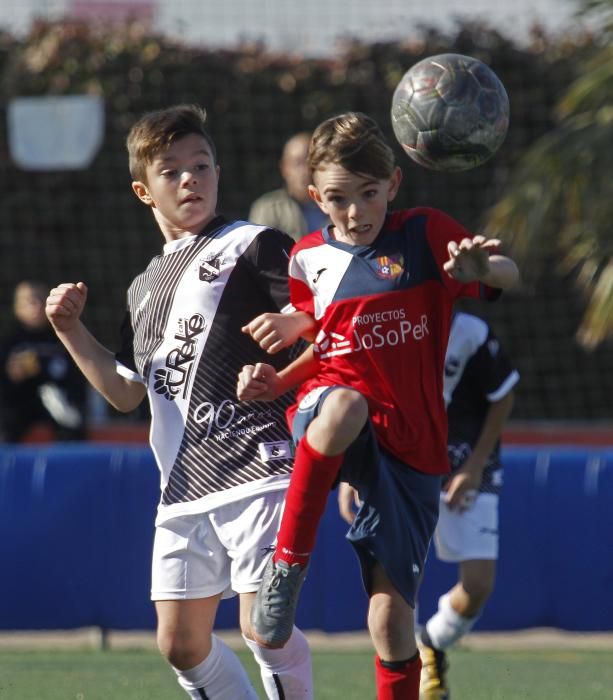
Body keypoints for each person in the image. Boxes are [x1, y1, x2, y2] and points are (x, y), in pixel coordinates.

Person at [237, 111, 519, 699]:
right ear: (315, 196)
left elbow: (506, 272)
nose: (356, 211)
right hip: (333, 409)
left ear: (393, 183)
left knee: (391, 625)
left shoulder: (424, 231)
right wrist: (280, 378)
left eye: (369, 194)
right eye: (338, 199)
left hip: (414, 440)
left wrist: (482, 268)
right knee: (342, 407)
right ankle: (287, 565)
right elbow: (326, 344)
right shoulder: (308, 256)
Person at [45, 104, 314, 700]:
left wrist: (293, 326)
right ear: (144, 190)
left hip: (258, 464)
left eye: (201, 165)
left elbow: (324, 314)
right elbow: (121, 393)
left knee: (263, 629)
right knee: (180, 645)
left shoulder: (255, 244)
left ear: (218, 171)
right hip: (184, 484)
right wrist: (70, 330)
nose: (190, 178)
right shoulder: (143, 288)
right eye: (172, 171)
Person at [339, 310, 520, 700]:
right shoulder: (387, 321)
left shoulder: (470, 330)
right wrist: (354, 469)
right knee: (400, 585)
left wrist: (473, 466)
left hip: (465, 465)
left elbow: (503, 395)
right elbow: (358, 392)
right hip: (400, 465)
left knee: (478, 585)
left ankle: (432, 643)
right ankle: (411, 677)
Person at [0, 280, 87, 443]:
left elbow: (78, 375)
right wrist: (11, 374)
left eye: (41, 300)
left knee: (71, 427)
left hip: (56, 399)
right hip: (20, 402)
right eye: (30, 301)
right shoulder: (10, 342)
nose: (37, 306)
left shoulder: (63, 336)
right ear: (17, 308)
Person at [249, 131, 329, 242]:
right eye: (298, 163)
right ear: (284, 168)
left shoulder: (335, 204)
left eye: (312, 161)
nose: (306, 170)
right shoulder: (268, 208)